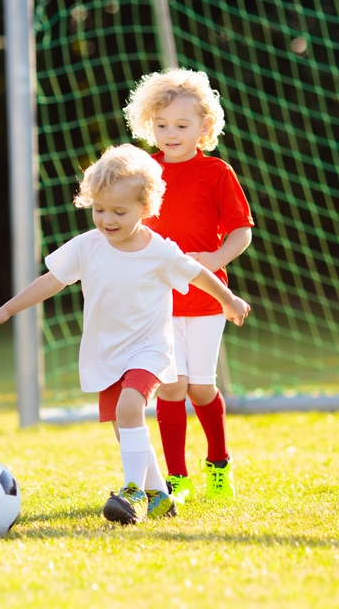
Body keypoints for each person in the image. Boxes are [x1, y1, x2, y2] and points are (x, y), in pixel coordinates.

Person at [0, 144, 250, 525]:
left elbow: (198, 273)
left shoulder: (160, 251)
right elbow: (51, 281)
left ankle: (132, 491)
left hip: (150, 349)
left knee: (129, 409)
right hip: (107, 353)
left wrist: (228, 299)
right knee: (125, 429)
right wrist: (6, 310)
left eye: (119, 212)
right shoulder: (88, 246)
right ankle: (159, 495)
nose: (107, 220)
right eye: (99, 209)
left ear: (146, 208)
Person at [124, 68, 255, 501]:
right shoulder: (144, 174)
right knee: (172, 387)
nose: (170, 133)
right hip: (158, 301)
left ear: (204, 127)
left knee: (200, 387)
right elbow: (128, 227)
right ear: (149, 125)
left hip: (205, 297)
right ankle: (176, 478)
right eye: (161, 125)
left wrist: (216, 259)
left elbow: (241, 231)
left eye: (181, 125)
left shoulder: (217, 172)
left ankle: (218, 462)